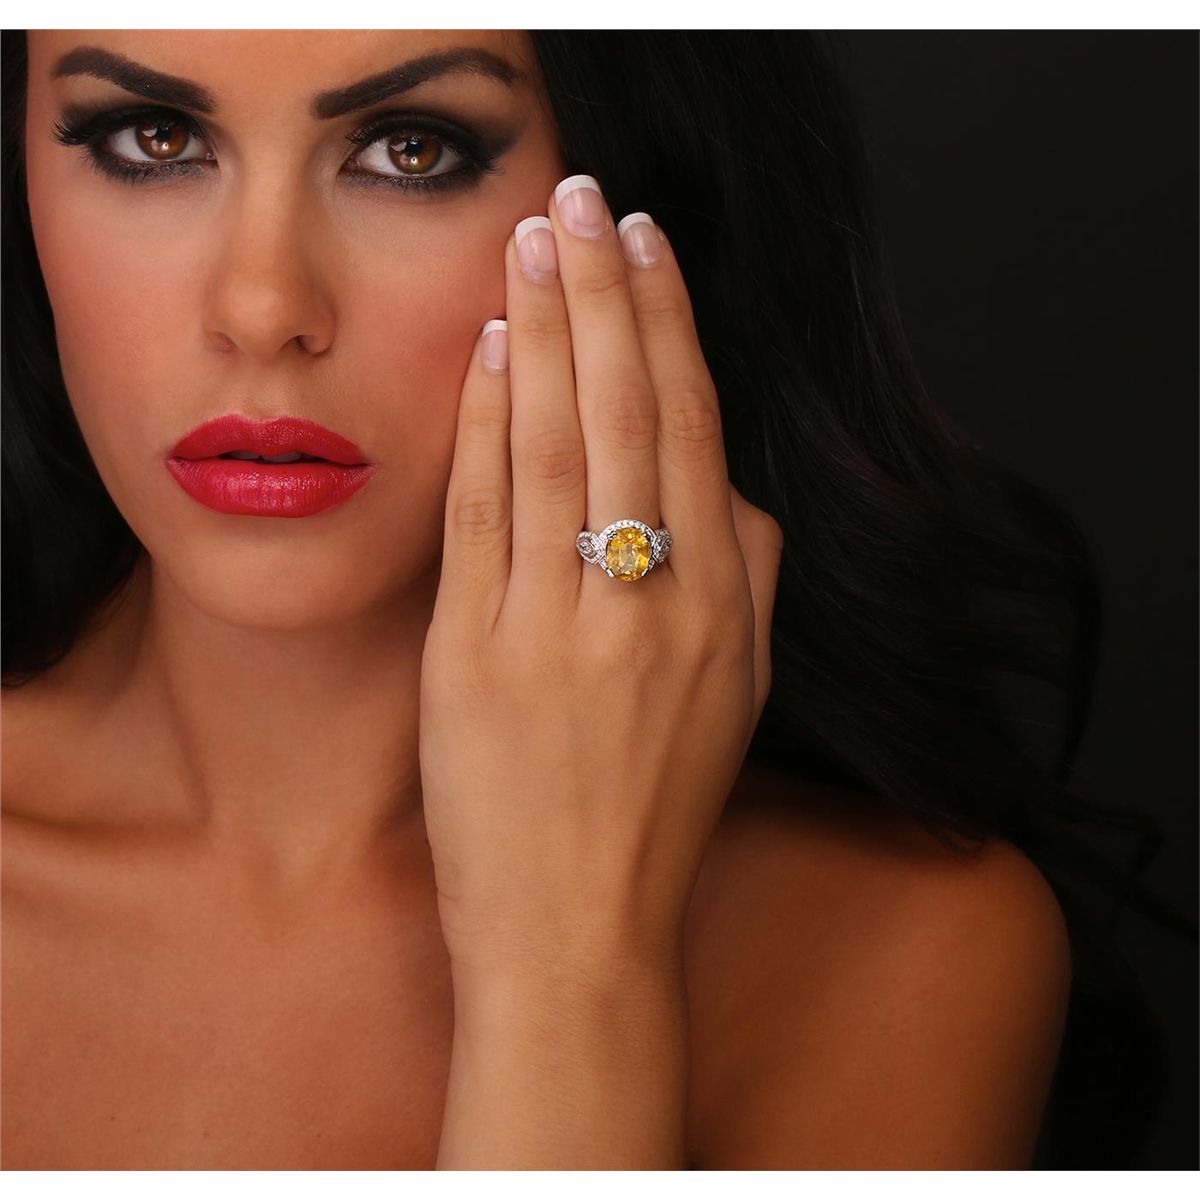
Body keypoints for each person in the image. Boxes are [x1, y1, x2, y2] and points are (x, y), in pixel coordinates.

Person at [0, 28, 1187, 1170]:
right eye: (151, 138)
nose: (262, 309)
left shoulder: (898, 951)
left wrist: (569, 972)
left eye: (413, 150)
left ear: (642, 189)